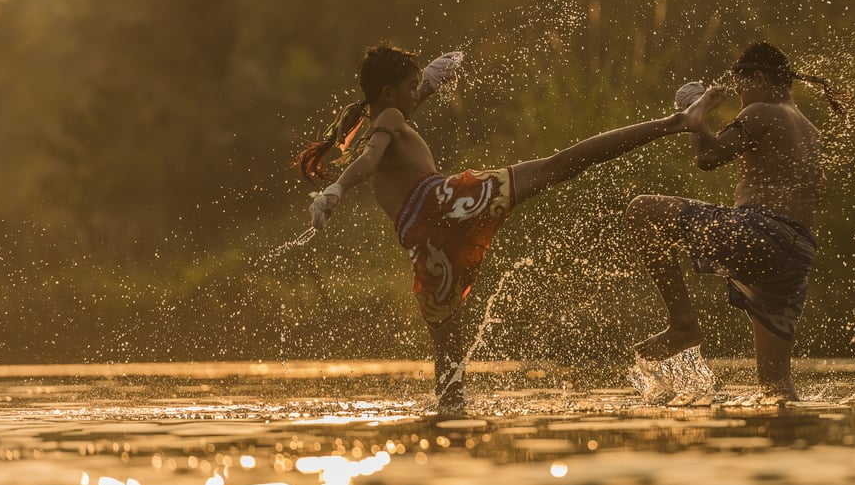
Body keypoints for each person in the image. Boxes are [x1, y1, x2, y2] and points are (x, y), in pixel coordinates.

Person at [296, 41, 708, 409]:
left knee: (449, 370)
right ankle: (676, 123)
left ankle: (450, 427)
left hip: (424, 243)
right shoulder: (387, 118)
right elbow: (368, 158)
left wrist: (431, 83)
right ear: (388, 92)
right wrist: (336, 188)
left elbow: (396, 118)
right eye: (411, 86)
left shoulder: (386, 114)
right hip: (449, 204)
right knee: (558, 165)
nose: (414, 94)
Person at [622, 41, 834, 402]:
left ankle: (682, 325)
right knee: (776, 390)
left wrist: (696, 112)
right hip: (796, 257)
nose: (740, 98)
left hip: (763, 235)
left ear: (762, 79)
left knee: (642, 210)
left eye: (743, 87)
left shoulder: (763, 111)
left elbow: (707, 157)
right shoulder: (811, 131)